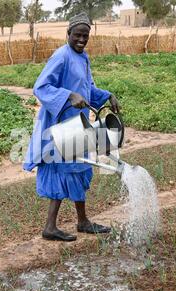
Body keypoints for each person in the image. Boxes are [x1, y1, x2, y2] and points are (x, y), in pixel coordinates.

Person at [23, 12, 121, 242]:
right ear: (67, 33)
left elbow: (88, 90)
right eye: (77, 35)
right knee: (60, 169)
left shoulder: (83, 58)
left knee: (78, 167)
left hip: (78, 123)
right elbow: (41, 87)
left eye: (85, 36)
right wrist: (68, 96)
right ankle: (50, 227)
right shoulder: (61, 56)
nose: (81, 40)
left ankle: (83, 221)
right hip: (59, 124)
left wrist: (108, 96)